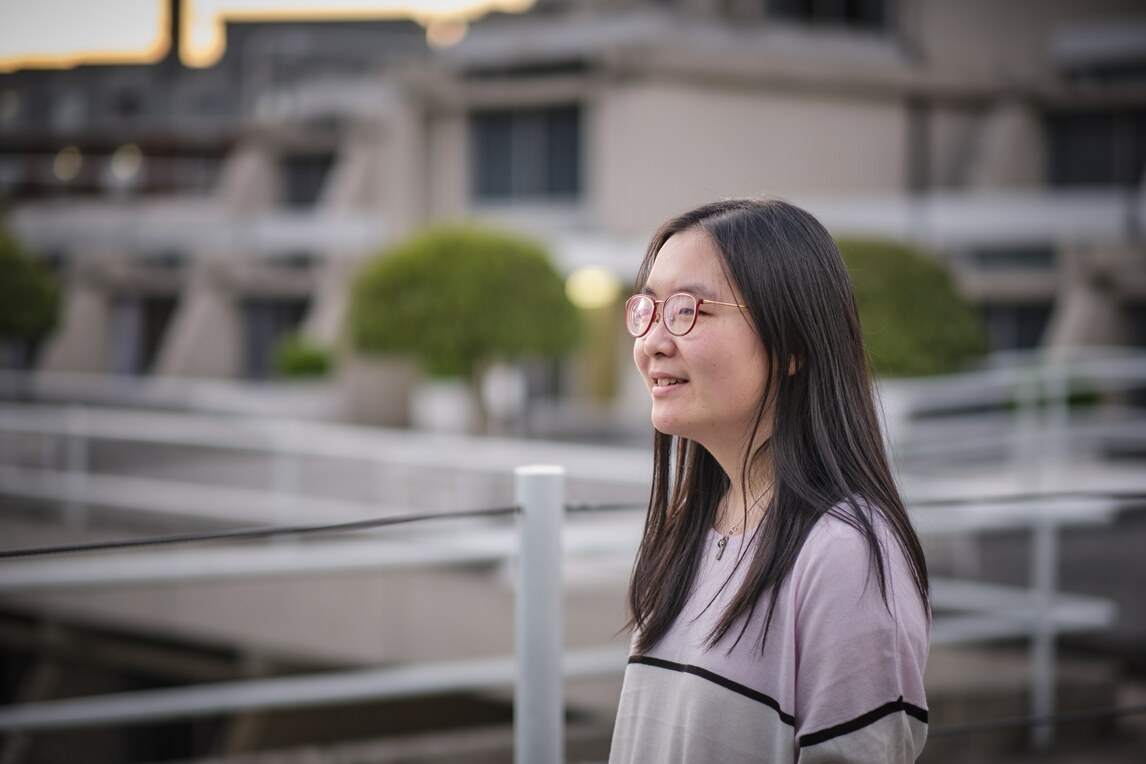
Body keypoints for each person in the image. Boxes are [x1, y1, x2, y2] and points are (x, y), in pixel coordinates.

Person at [609, 198, 931, 763]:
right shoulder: (693, 522)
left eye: (689, 309)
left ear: (794, 345)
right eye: (648, 309)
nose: (654, 341)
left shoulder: (844, 555)